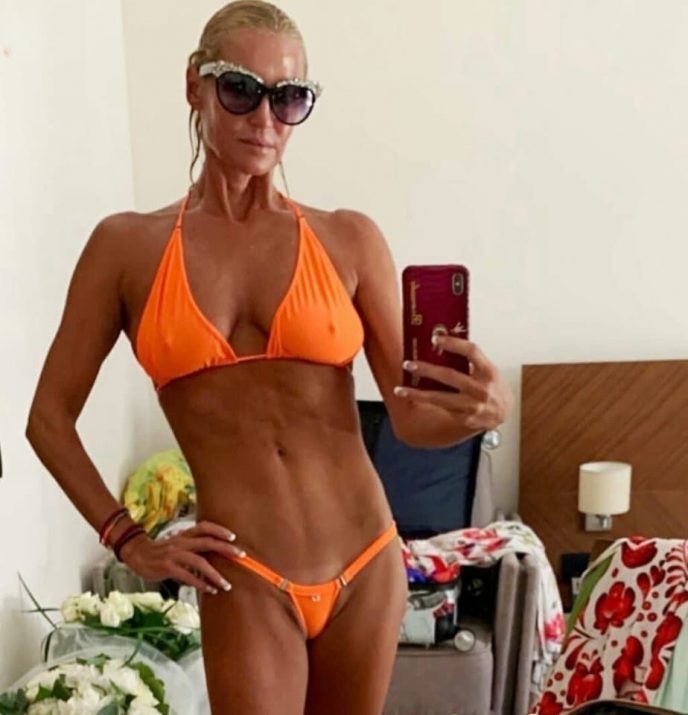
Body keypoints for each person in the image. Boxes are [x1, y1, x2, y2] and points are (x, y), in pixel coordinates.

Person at [26, 2, 513, 713]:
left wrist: (485, 412)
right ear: (194, 85)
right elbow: (48, 417)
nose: (265, 118)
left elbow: (409, 419)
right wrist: (127, 539)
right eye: (240, 90)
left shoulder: (348, 239)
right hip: (245, 571)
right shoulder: (125, 247)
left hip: (365, 557)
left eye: (288, 98)